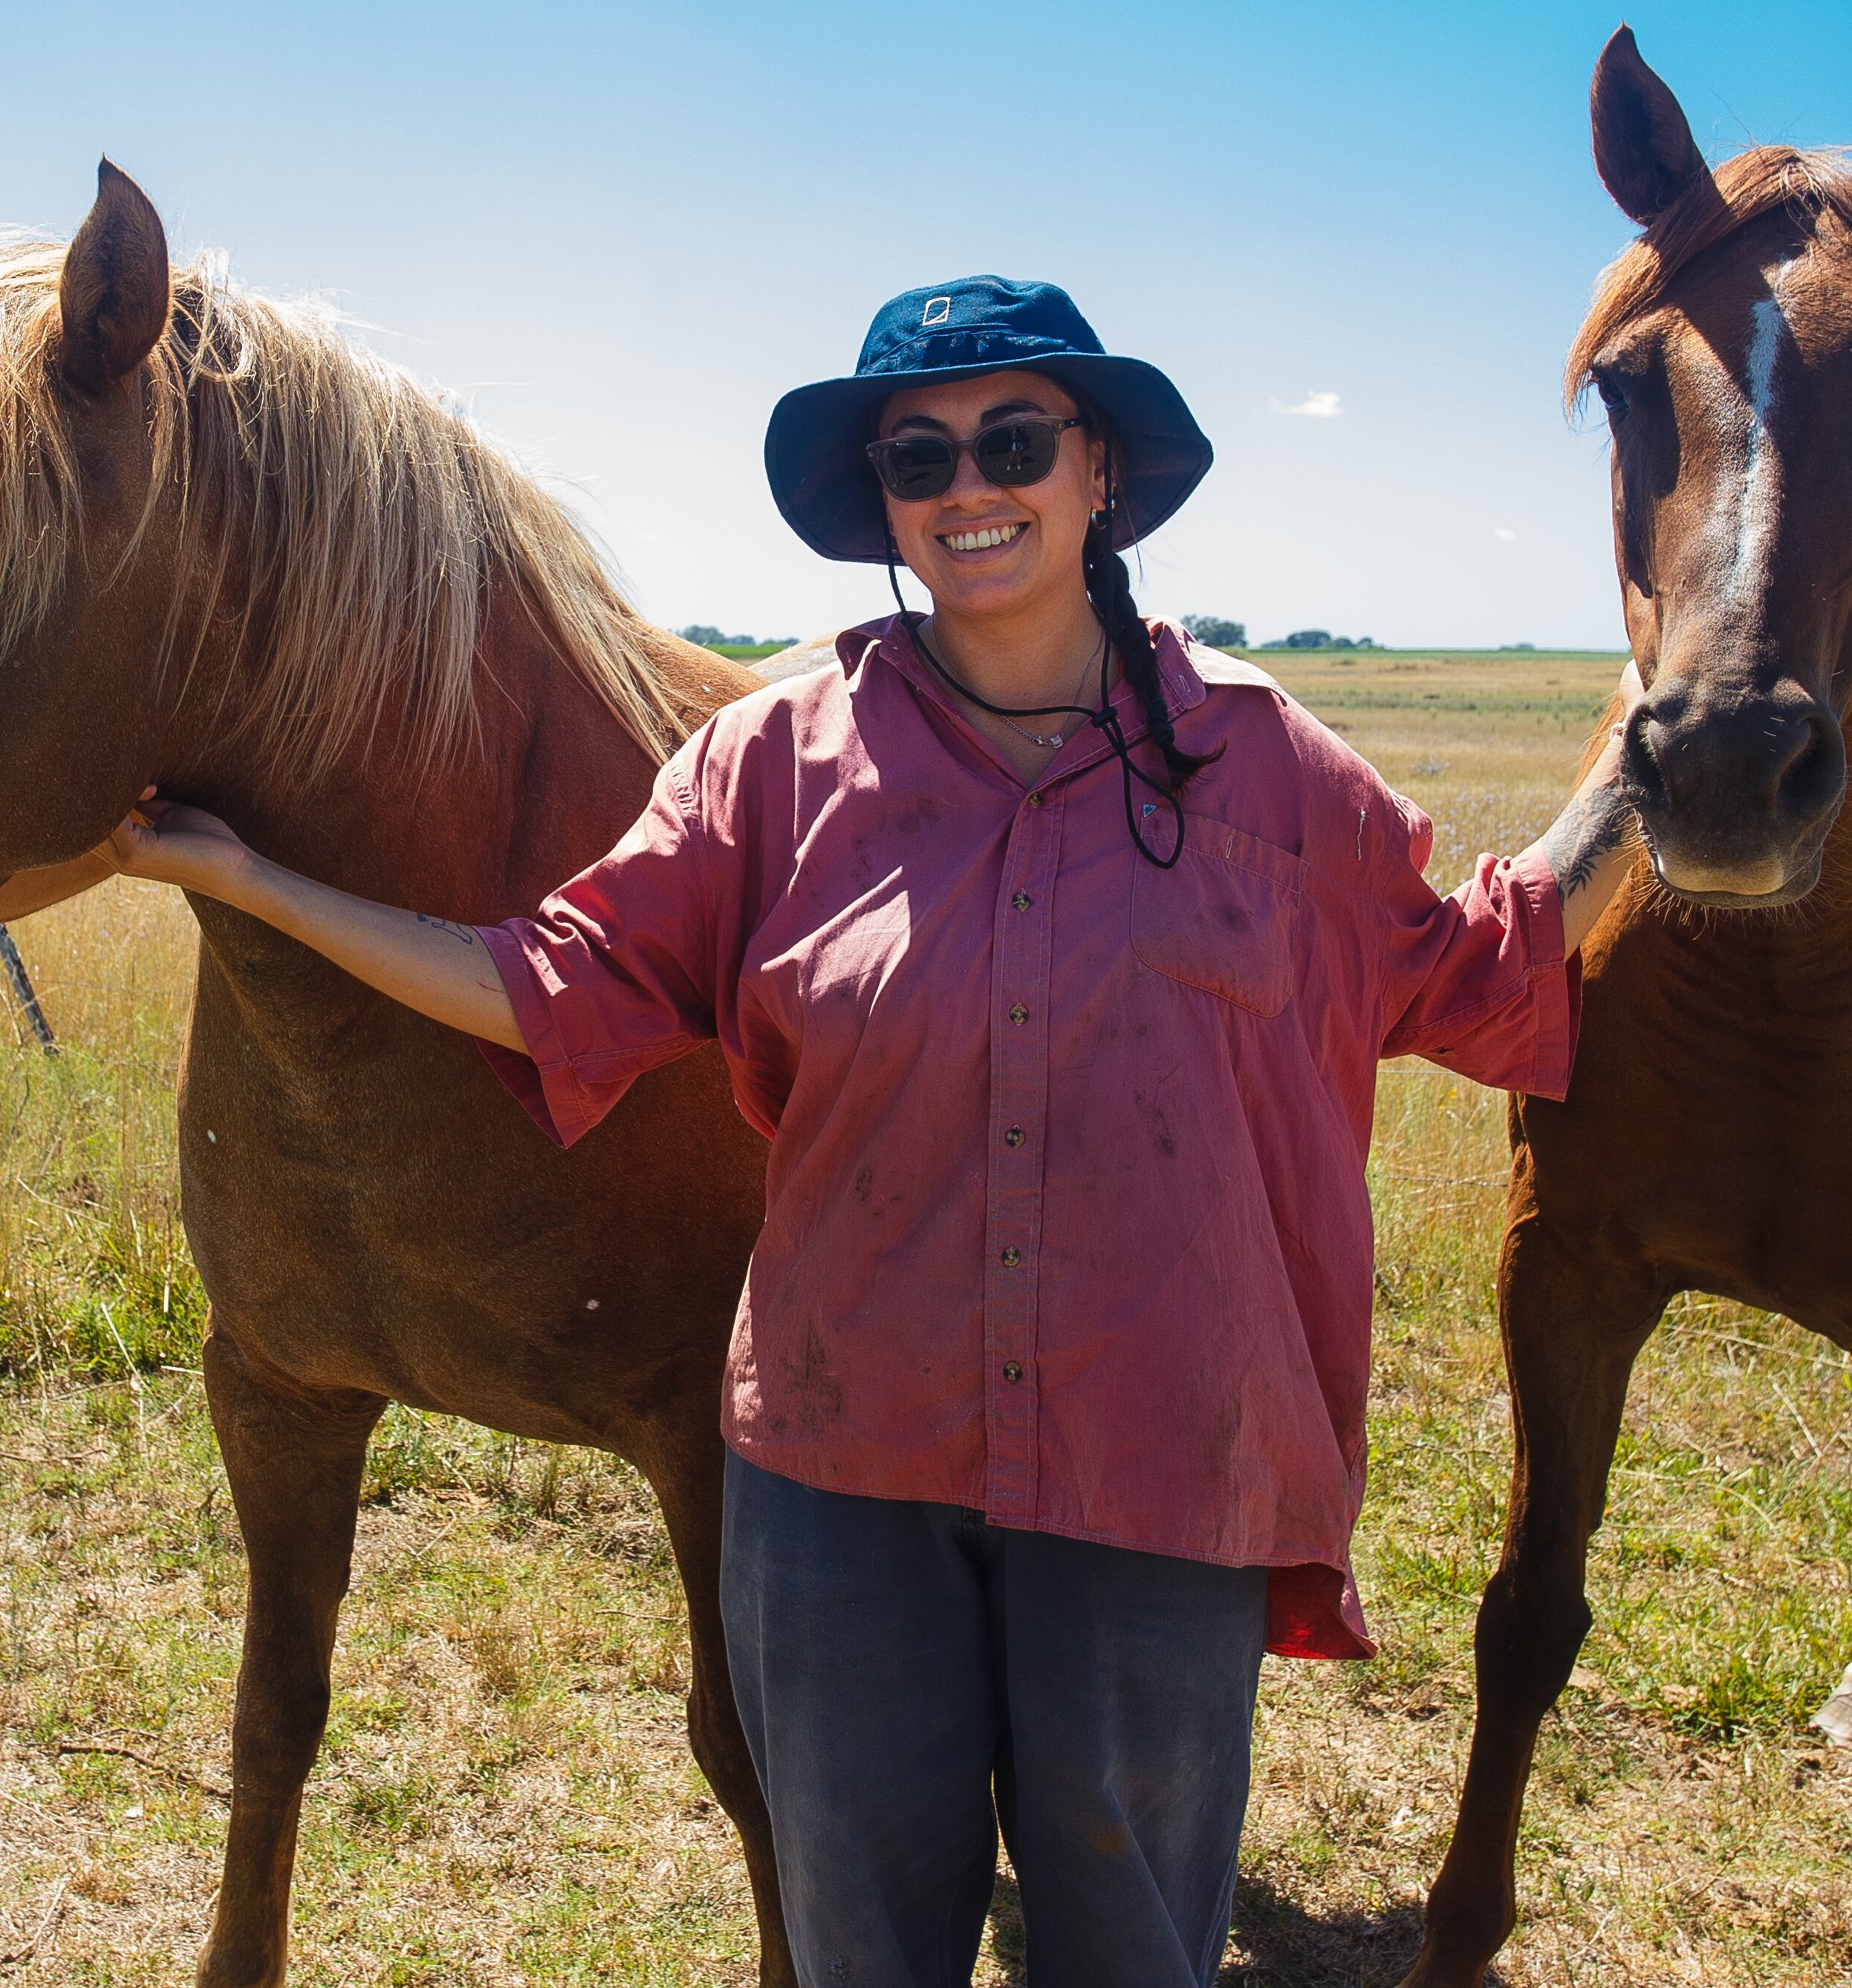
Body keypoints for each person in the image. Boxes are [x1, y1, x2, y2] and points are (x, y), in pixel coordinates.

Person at [106, 276, 1638, 1985]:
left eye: (1012, 439)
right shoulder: (770, 762)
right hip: (841, 1482)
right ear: (885, 505)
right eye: (919, 454)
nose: (966, 482)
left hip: (1153, 1464)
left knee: (1129, 1942)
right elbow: (554, 981)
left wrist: (1645, 763)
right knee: (859, 1943)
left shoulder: (1259, 764)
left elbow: (1461, 965)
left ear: (1098, 470)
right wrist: (252, 883)